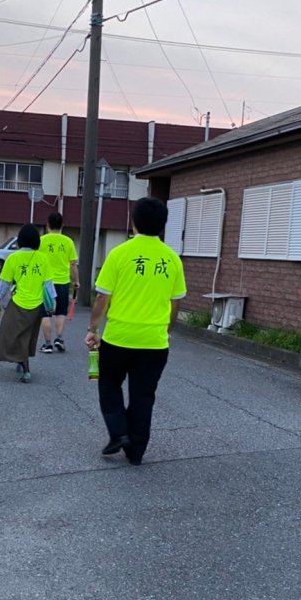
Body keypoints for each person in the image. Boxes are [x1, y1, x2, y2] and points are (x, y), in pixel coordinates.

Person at [85, 197, 186, 465]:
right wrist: (167, 330)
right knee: (143, 395)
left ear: (134, 222)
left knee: (109, 384)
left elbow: (102, 297)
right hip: (154, 342)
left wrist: (93, 328)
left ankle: (119, 432)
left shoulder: (119, 254)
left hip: (118, 338)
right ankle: (136, 451)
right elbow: (175, 302)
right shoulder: (172, 259)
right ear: (163, 225)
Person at [0, 223, 56, 383]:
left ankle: (25, 368)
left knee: (12, 334)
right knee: (27, 336)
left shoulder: (12, 258)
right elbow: (48, 284)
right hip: (37, 305)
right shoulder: (43, 258)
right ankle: (21, 361)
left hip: (18, 303)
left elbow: (4, 283)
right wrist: (52, 302)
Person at [38, 211, 79, 353]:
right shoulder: (68, 242)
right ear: (62, 225)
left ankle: (47, 344)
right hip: (62, 282)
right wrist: (76, 281)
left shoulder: (41, 241)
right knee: (61, 312)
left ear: (47, 225)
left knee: (45, 314)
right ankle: (59, 339)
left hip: (45, 282)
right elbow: (73, 264)